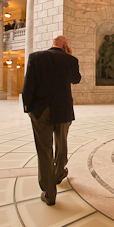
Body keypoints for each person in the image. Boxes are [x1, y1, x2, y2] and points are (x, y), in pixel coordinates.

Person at [22, 35, 81, 206]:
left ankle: (49, 194)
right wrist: (69, 56)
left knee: (44, 150)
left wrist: (29, 109)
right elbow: (76, 80)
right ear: (65, 46)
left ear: (53, 43)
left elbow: (28, 86)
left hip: (41, 111)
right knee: (61, 144)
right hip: (63, 110)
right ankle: (58, 174)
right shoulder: (70, 59)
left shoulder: (36, 57)